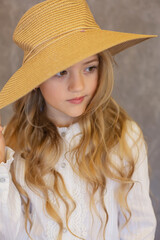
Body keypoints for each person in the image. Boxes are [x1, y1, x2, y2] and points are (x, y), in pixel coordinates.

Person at [0, 0, 157, 239]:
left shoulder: (124, 136)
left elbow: (139, 227)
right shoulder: (14, 144)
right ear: (36, 80)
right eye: (61, 71)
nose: (78, 86)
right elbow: (10, 232)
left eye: (89, 68)